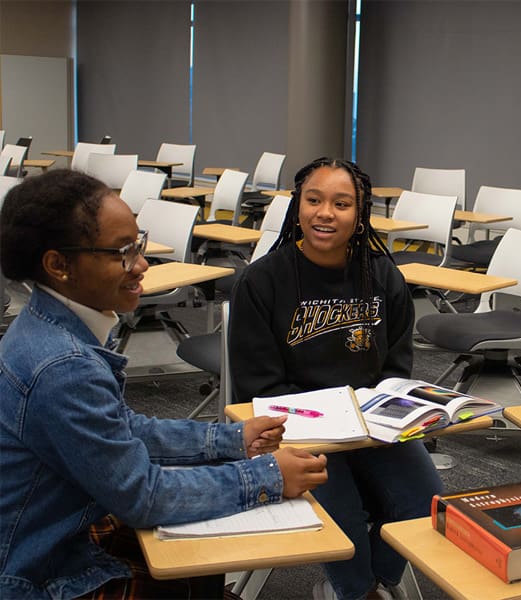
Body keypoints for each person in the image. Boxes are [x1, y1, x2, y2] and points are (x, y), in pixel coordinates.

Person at [0, 170, 328, 599]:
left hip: (57, 532)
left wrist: (231, 440)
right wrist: (267, 476)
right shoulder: (64, 366)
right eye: (123, 252)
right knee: (195, 566)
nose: (141, 265)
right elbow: (143, 496)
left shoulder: (50, 326)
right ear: (58, 265)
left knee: (198, 566)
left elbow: (123, 429)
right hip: (40, 572)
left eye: (139, 244)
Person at [229, 157, 443, 600]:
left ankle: (373, 580)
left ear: (359, 213)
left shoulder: (383, 276)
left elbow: (396, 370)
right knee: (340, 512)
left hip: (372, 428)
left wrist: (382, 415)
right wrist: (328, 424)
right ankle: (356, 592)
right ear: (298, 206)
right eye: (314, 200)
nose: (326, 213)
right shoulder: (261, 281)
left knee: (426, 501)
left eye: (341, 203)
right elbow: (258, 386)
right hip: (298, 430)